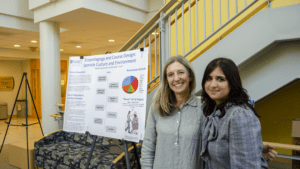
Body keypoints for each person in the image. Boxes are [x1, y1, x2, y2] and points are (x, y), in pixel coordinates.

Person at [141, 56, 277, 169]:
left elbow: (229, 136)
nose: (176, 78)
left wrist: (254, 147)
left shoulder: (205, 107)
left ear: (190, 76)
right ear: (166, 80)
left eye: (181, 72)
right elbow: (148, 149)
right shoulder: (157, 108)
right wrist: (256, 147)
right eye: (170, 74)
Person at [199, 57, 272, 168]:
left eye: (220, 79)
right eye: (209, 78)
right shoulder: (215, 110)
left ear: (232, 83)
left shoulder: (239, 115)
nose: (212, 85)